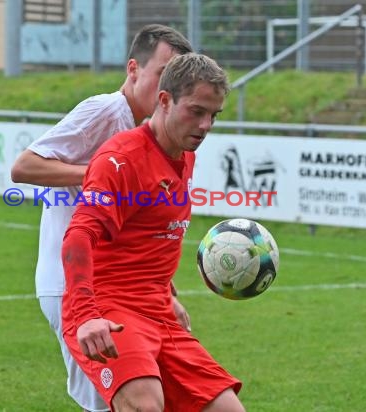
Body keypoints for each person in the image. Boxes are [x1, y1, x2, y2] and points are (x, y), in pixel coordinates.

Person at [11, 24, 193, 411]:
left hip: (118, 287)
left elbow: (141, 229)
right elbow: (24, 166)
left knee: (138, 399)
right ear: (133, 69)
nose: (169, 88)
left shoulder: (152, 136)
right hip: (72, 284)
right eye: (163, 74)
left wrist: (165, 290)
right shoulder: (106, 111)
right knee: (118, 401)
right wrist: (101, 174)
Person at [61, 53, 245, 411]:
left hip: (158, 310)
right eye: (196, 111)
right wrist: (86, 316)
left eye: (213, 115)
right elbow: (77, 238)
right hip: (109, 307)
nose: (206, 124)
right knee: (146, 405)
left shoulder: (184, 153)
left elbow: (151, 235)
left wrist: (167, 291)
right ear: (165, 100)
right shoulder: (119, 158)